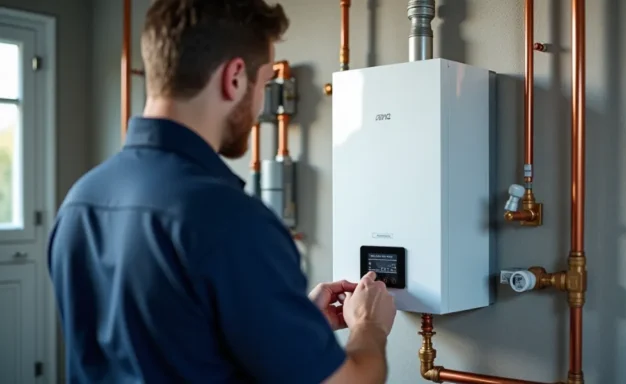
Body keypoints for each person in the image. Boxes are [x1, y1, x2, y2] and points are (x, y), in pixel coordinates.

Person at [46, 1, 397, 383]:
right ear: (234, 78)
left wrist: (297, 321)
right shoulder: (230, 219)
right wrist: (368, 325)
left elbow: (171, 343)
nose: (262, 102)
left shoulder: (80, 202)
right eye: (264, 83)